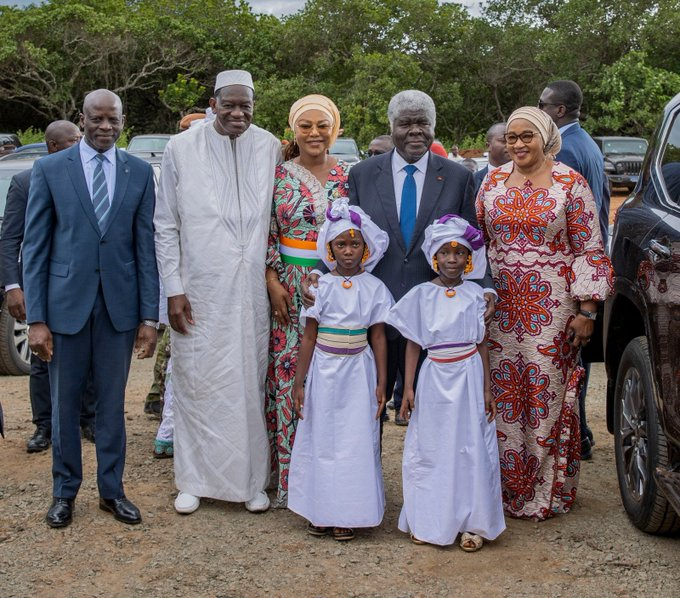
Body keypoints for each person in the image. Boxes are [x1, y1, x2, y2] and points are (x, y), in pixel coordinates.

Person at [303, 90, 496, 427]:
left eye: (423, 123)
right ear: (391, 126)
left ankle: (432, 479)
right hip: (377, 310)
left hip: (434, 314)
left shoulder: (457, 177)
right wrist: (321, 271)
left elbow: (471, 239)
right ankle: (366, 479)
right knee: (368, 409)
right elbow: (348, 230)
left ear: (434, 126)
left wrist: (487, 288)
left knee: (433, 412)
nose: (415, 131)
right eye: (406, 123)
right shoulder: (363, 174)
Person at [23, 89, 159, 528]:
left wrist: (148, 317)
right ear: (81, 119)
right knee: (64, 406)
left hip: (119, 311)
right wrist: (37, 319)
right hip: (64, 310)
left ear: (123, 121)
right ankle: (64, 493)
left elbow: (145, 249)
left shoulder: (138, 172)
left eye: (113, 120)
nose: (105, 127)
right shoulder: (49, 169)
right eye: (97, 119)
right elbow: (37, 247)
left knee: (111, 405)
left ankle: (111, 492)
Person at [154, 69, 282, 515]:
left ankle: (251, 482)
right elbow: (165, 223)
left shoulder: (268, 146)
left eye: (245, 105)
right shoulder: (180, 147)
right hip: (199, 288)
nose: (236, 113)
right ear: (212, 103)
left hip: (251, 292)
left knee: (249, 381)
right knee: (197, 381)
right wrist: (173, 287)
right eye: (228, 104)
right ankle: (193, 480)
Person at [476, 107, 613, 521]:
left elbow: (589, 247)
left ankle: (544, 490)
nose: (517, 144)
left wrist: (587, 309)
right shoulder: (493, 180)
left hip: (551, 307)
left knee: (545, 396)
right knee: (502, 395)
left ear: (546, 137)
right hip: (500, 305)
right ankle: (502, 488)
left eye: (527, 136)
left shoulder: (571, 183)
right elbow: (478, 238)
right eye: (512, 137)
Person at [386, 215, 505, 550]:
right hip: (435, 376)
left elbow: (480, 343)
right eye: (446, 253)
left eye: (459, 253)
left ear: (469, 258)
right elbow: (412, 343)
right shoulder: (421, 295)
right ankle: (430, 518)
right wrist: (408, 388)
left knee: (470, 447)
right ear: (434, 257)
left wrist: (486, 388)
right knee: (433, 447)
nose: (452, 259)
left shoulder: (476, 295)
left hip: (467, 377)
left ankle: (472, 522)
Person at [288, 199, 392, 541]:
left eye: (355, 244)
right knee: (322, 437)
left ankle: (349, 512)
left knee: (354, 441)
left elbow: (378, 336)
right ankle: (321, 510)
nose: (348, 251)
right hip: (325, 369)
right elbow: (308, 336)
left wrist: (381, 382)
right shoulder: (320, 287)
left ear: (366, 248)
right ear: (330, 249)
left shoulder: (375, 288)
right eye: (341, 245)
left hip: (358, 371)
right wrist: (299, 382)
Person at [265, 94, 348, 508]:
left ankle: (329, 479)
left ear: (336, 129)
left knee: (330, 378)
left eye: (322, 125)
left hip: (335, 288)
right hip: (287, 287)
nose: (314, 133)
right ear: (293, 131)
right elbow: (262, 231)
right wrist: (271, 279)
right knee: (287, 379)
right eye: (306, 126)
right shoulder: (277, 175)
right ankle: (291, 481)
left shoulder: (350, 177)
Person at [0, 120, 97, 453]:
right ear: (54, 146)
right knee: (43, 358)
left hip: (82, 285)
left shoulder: (90, 179)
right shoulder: (25, 182)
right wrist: (14, 286)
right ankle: (45, 425)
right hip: (42, 285)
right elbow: (11, 238)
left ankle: (89, 419)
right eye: (74, 140)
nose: (81, 144)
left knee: (88, 355)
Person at [539, 80, 611, 460]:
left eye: (542, 104)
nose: (539, 110)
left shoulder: (564, 149)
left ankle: (575, 435)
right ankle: (579, 432)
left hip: (569, 268)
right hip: (584, 262)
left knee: (568, 358)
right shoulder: (588, 143)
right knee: (574, 357)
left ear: (560, 110)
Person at [473, 122, 509, 194]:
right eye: (503, 141)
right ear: (488, 146)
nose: (509, 145)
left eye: (512, 140)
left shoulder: (528, 179)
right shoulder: (473, 181)